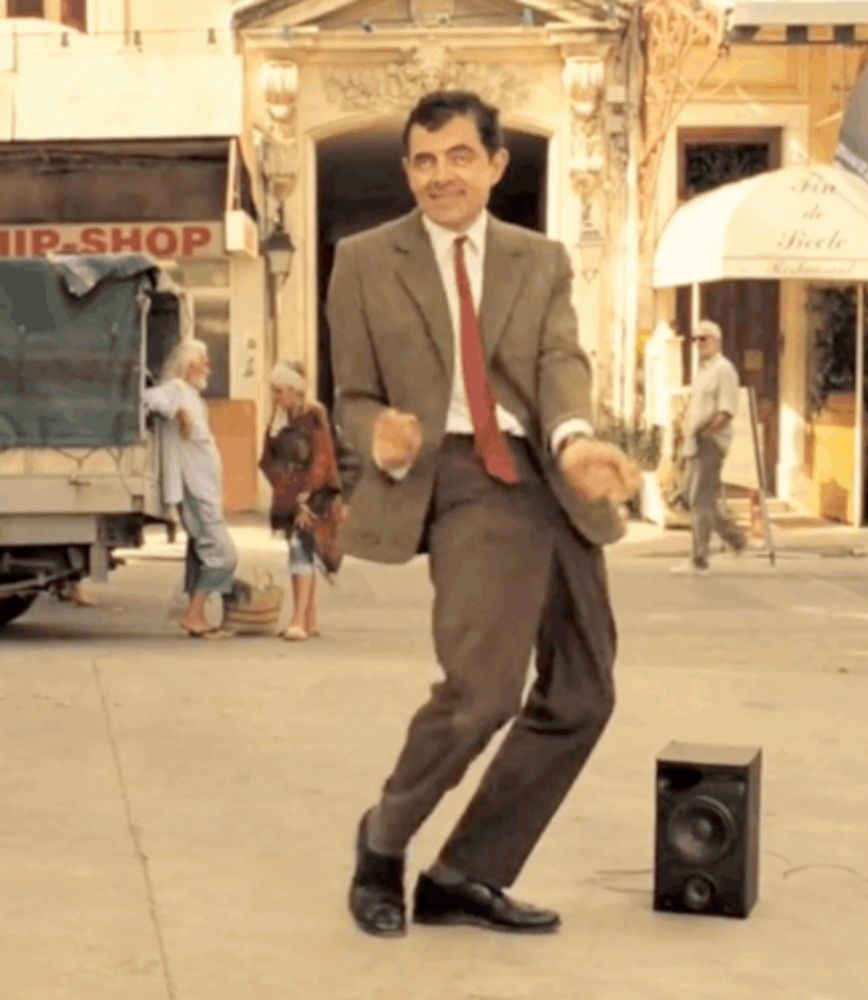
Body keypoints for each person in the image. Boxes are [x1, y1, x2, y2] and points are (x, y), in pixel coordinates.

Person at [327, 89, 640, 938]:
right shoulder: (363, 259)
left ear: (496, 164)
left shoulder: (539, 261)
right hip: (463, 478)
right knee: (482, 692)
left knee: (583, 692)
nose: (441, 176)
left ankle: (468, 874)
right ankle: (383, 842)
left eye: (459, 156)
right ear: (407, 171)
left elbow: (558, 360)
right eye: (424, 161)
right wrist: (378, 434)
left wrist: (576, 441)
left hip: (552, 471)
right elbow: (350, 393)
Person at [143, 339, 238, 638]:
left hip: (205, 488)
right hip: (194, 489)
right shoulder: (175, 390)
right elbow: (146, 397)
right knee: (223, 554)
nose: (208, 366)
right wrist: (175, 412)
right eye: (203, 360)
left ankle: (198, 615)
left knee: (205, 552)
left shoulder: (193, 396)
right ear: (188, 365)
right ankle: (193, 614)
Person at [259, 360, 345, 641]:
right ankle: (309, 618)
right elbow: (267, 461)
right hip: (288, 496)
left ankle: (298, 619)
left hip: (313, 495)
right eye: (274, 390)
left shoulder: (313, 415)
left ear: (295, 390)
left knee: (301, 549)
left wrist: (305, 497)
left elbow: (321, 458)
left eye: (280, 390)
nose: (276, 396)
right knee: (301, 552)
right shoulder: (278, 420)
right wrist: (285, 488)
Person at [671, 319, 746, 575]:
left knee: (698, 500)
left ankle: (700, 560)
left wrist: (707, 432)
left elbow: (726, 410)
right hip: (696, 441)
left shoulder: (724, 370)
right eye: (695, 339)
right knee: (694, 499)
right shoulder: (703, 371)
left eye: (703, 339)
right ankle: (735, 537)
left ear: (717, 341)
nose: (698, 344)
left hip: (710, 441)